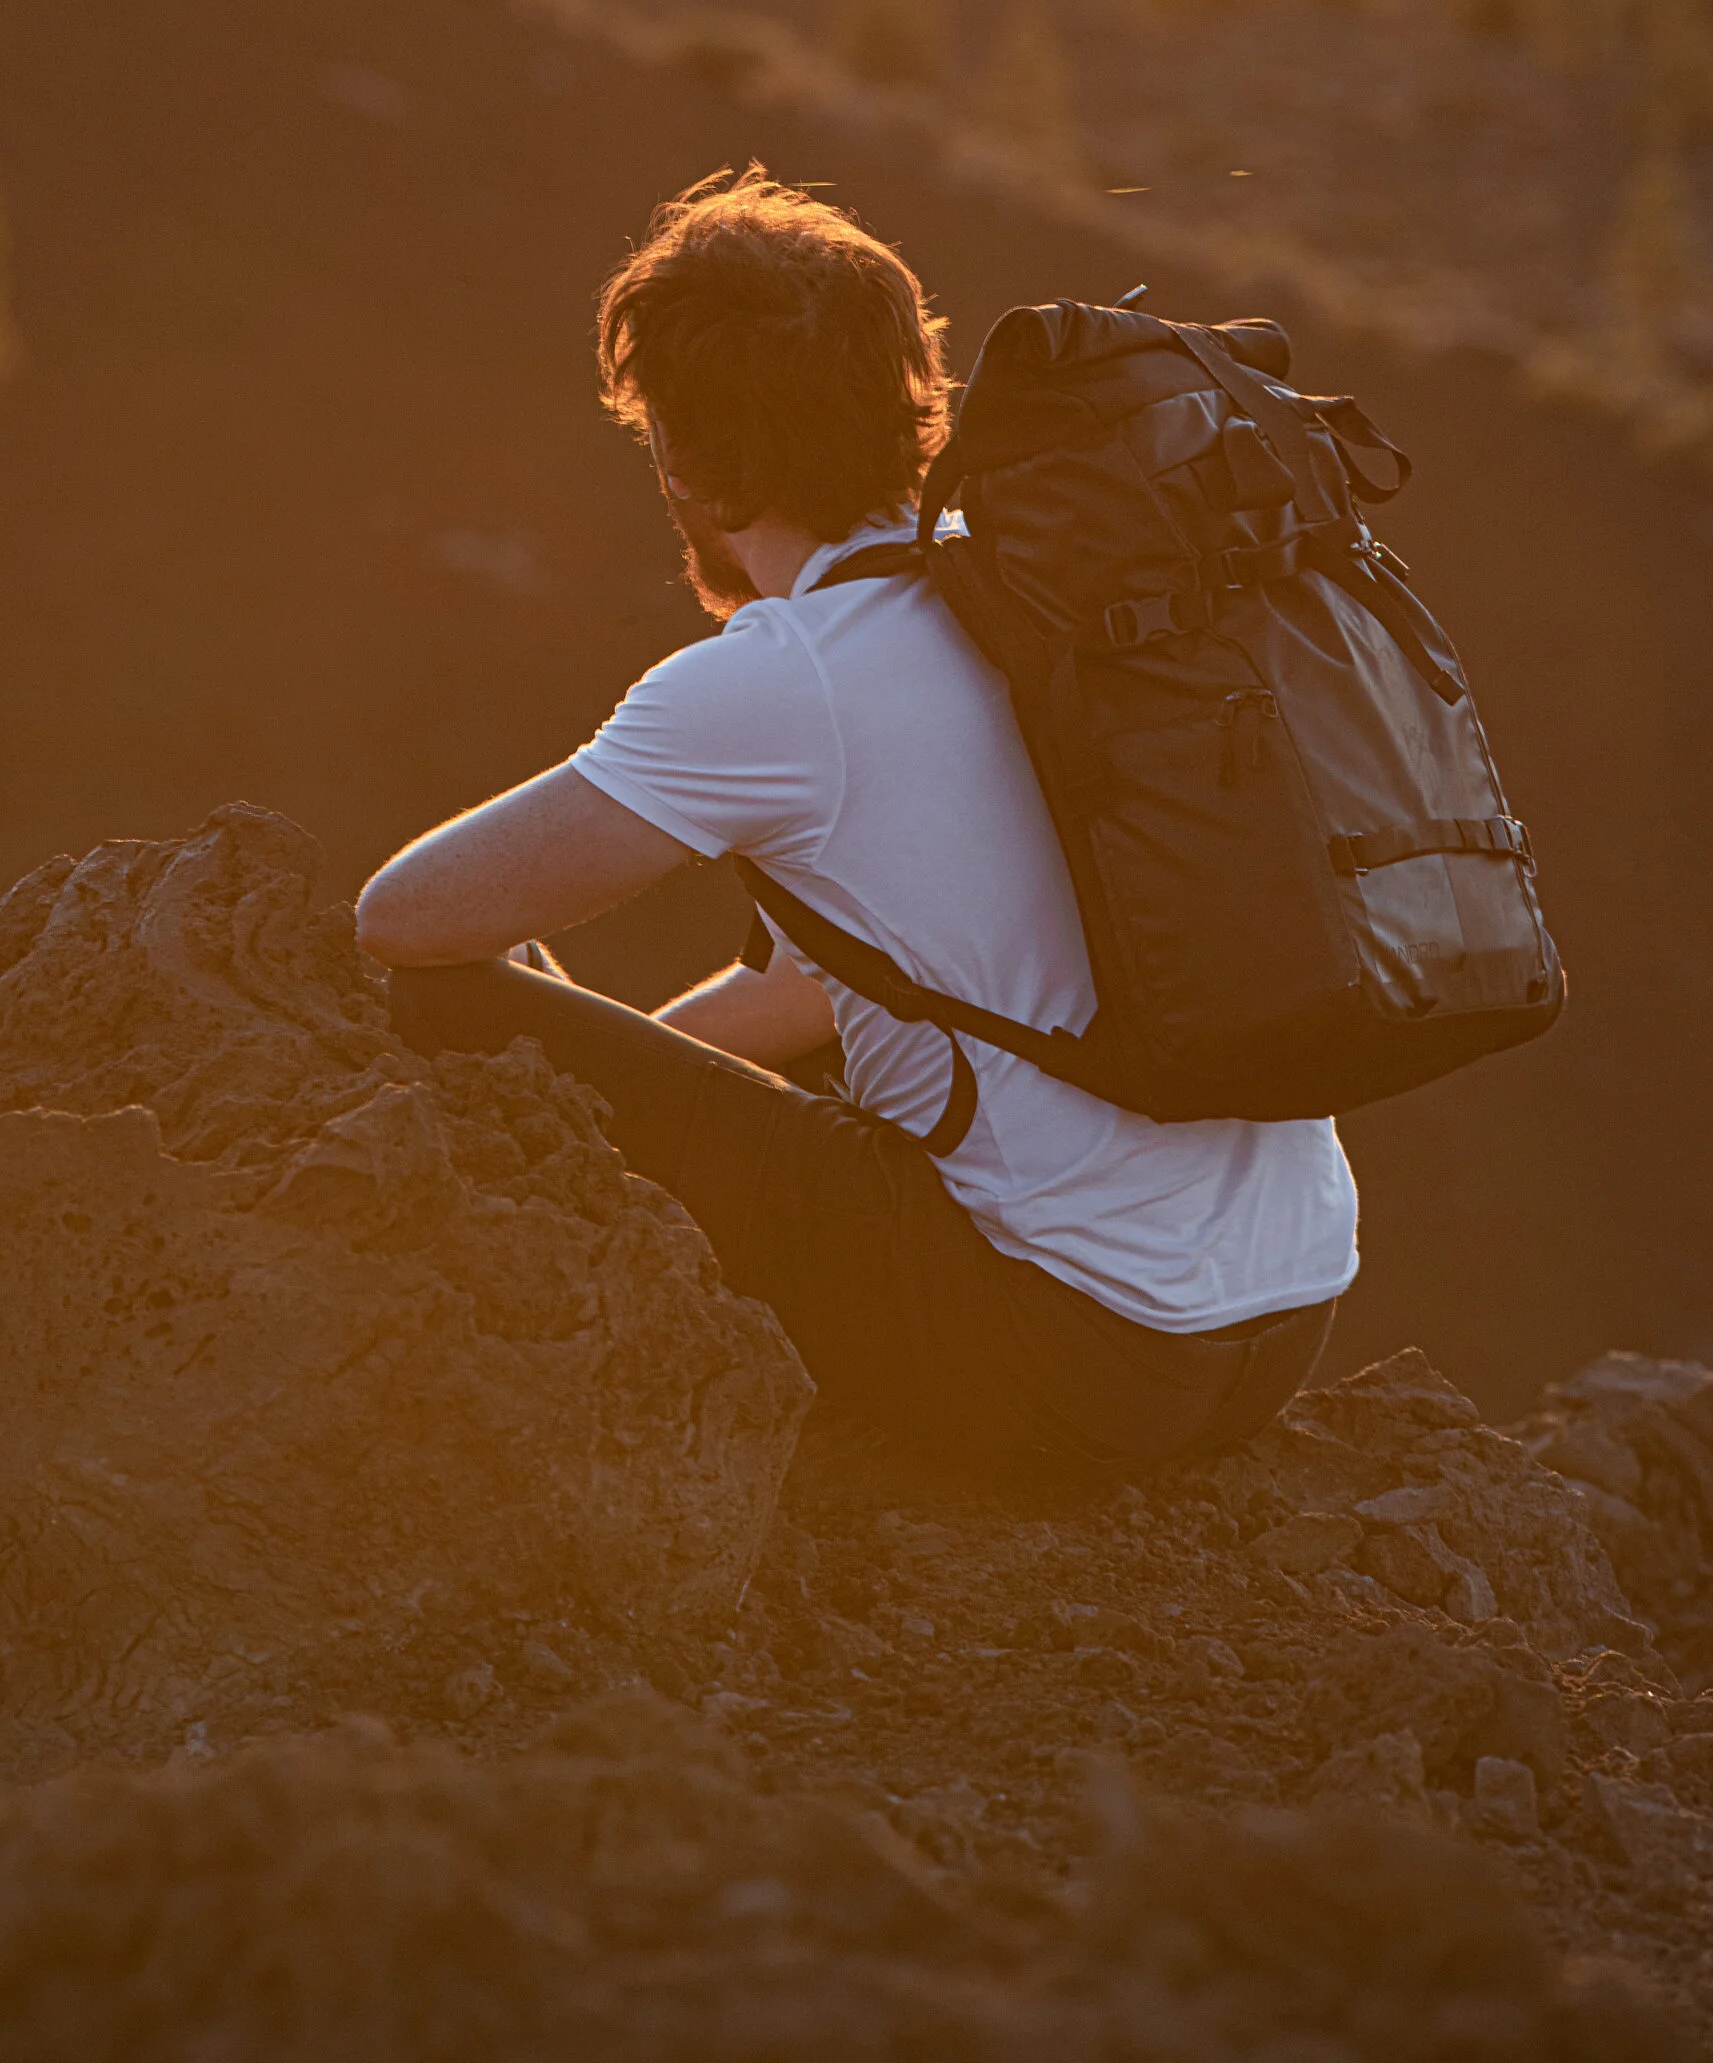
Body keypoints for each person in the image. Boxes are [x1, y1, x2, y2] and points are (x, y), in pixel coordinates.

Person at [354, 167, 1356, 1491]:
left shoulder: (792, 674)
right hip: (1273, 1330)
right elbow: (811, 991)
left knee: (440, 1001)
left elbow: (408, 919)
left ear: (688, 465)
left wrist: (579, 1085)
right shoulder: (1044, 599)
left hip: (1058, 1358)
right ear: (916, 408)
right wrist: (632, 1085)